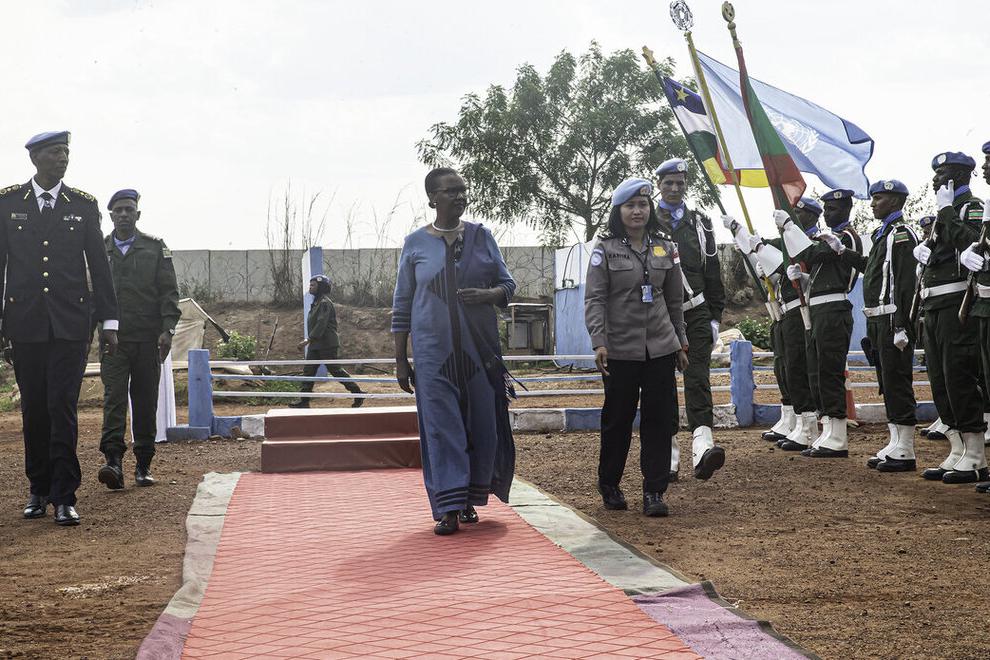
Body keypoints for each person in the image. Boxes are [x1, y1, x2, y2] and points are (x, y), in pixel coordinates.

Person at [0, 131, 118, 526]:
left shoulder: (82, 205)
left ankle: (65, 495)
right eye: (55, 152)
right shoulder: (8, 203)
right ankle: (38, 488)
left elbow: (99, 267)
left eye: (66, 152)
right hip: (24, 323)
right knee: (34, 408)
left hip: (71, 324)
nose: (63, 158)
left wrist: (109, 321)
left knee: (62, 406)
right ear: (35, 158)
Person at [392, 167, 516, 536]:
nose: (459, 196)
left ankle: (468, 499)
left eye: (463, 190)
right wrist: (401, 360)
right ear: (432, 198)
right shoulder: (415, 244)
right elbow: (402, 305)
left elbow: (508, 284)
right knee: (442, 428)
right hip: (433, 355)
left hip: (479, 352)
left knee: (481, 425)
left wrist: (487, 295)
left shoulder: (481, 237)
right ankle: (447, 507)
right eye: (450, 191)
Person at [585, 177, 689, 517]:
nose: (637, 211)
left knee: (659, 420)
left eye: (643, 205)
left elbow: (674, 299)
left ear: (650, 209)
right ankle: (610, 484)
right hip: (619, 348)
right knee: (618, 420)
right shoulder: (605, 248)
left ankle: (654, 491)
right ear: (619, 211)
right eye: (630, 205)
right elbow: (595, 299)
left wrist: (681, 341)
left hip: (660, 346)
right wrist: (599, 341)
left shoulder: (666, 247)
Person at [820, 180, 918, 471]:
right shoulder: (883, 234)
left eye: (879, 198)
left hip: (891, 318)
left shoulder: (901, 234)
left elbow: (906, 283)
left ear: (896, 201)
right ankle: (896, 440)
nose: (873, 204)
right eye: (873, 198)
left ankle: (906, 448)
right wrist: (842, 251)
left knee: (898, 381)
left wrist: (902, 324)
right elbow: (871, 269)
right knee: (886, 382)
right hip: (877, 319)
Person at [98, 189, 180, 490]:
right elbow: (91, 293)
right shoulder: (99, 249)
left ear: (138, 214)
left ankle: (143, 463)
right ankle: (113, 462)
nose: (123, 214)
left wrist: (167, 330)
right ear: (110, 215)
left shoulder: (154, 248)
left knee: (145, 401)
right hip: (113, 340)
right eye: (118, 210)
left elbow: (169, 292)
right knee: (114, 400)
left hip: (147, 339)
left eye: (128, 209)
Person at [653, 158, 725, 481]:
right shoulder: (646, 221)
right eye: (668, 183)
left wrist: (715, 317)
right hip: (659, 315)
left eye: (680, 183)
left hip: (695, 311)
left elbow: (713, 272)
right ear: (659, 185)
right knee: (662, 384)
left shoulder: (700, 224)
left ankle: (703, 448)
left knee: (697, 379)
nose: (674, 188)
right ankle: (668, 457)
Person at [920, 152, 987, 484]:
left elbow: (974, 243)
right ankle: (958, 449)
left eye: (942, 173)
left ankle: (975, 455)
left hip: (957, 302)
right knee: (940, 380)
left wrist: (947, 212)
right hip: (934, 305)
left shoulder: (969, 207)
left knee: (959, 377)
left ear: (959, 176)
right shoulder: (942, 211)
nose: (935, 179)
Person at [782, 192, 863, 457]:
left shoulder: (846, 237)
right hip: (819, 309)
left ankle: (838, 436)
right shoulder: (829, 238)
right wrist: (804, 280)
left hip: (833, 308)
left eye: (834, 209)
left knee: (829, 372)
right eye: (826, 209)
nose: (828, 214)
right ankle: (829, 430)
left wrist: (789, 227)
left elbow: (812, 254)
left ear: (847, 209)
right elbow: (819, 269)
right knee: (817, 372)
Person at [740, 205, 819, 451]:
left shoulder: (811, 243)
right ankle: (792, 418)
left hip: (801, 310)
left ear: (812, 216)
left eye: (798, 213)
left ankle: (808, 425)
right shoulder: (786, 244)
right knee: (784, 368)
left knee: (798, 368)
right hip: (784, 310)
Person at [290, 274, 365, 408]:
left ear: (321, 287)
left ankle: (358, 393)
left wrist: (308, 340)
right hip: (316, 344)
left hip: (326, 344)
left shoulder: (324, 303)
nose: (310, 287)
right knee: (308, 371)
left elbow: (321, 324)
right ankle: (304, 401)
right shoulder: (317, 303)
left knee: (335, 370)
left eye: (313, 285)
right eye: (310, 285)